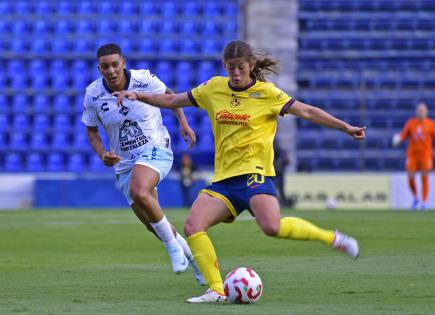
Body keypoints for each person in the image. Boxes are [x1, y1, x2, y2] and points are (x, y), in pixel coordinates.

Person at [113, 40, 366, 303]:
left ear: (251, 65)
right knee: (193, 225)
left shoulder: (268, 93)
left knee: (272, 227)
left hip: (255, 175)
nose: (235, 73)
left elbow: (308, 111)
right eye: (231, 68)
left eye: (241, 68)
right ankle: (217, 290)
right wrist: (139, 95)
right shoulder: (214, 88)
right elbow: (173, 99)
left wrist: (345, 127)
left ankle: (332, 238)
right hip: (224, 180)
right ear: (225, 66)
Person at [81, 43, 204, 285]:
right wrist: (102, 153)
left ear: (123, 62)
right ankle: (198, 264)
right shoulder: (93, 94)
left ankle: (173, 250)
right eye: (105, 67)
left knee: (140, 190)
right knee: (154, 224)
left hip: (155, 149)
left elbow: (171, 97)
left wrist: (183, 122)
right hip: (124, 164)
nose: (111, 70)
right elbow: (92, 131)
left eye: (115, 64)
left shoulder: (144, 79)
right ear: (99, 69)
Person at [393, 103, 435, 210]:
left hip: (426, 155)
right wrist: (398, 140)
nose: (421, 112)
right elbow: (403, 135)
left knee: (424, 178)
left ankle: (424, 202)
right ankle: (416, 198)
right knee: (410, 177)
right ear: (416, 112)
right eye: (419, 110)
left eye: (423, 110)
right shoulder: (411, 123)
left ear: (426, 112)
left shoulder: (431, 124)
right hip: (412, 155)